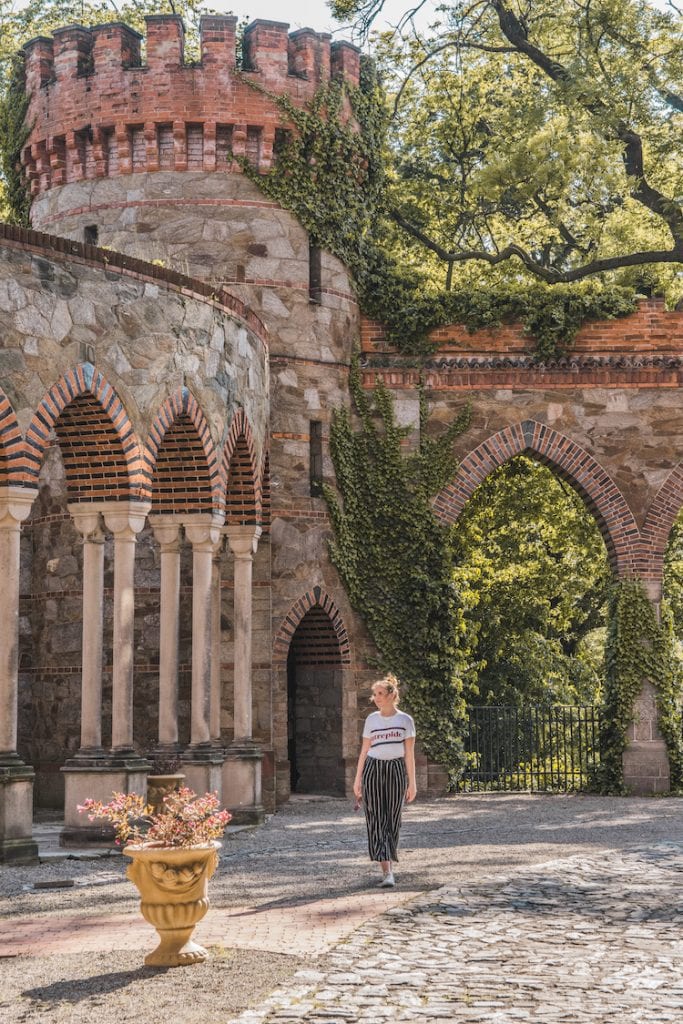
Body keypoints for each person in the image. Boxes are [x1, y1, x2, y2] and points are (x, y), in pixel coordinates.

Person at [353, 673, 417, 888]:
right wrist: (357, 780)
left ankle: (389, 860)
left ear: (392, 695)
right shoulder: (371, 720)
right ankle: (387, 870)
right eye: (374, 694)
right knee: (375, 817)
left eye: (380, 693)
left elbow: (409, 754)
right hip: (373, 768)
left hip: (396, 769)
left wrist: (412, 783)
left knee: (393, 817)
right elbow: (364, 750)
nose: (376, 698)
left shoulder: (405, 720)